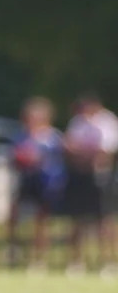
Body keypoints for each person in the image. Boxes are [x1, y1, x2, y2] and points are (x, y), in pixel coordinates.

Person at [62, 94, 117, 275]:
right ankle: (76, 261)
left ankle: (108, 261)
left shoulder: (107, 121)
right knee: (77, 219)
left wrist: (85, 154)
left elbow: (105, 150)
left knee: (105, 220)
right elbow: (70, 146)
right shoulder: (78, 122)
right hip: (80, 175)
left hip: (100, 176)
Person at [8, 96, 64, 269]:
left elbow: (56, 161)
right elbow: (14, 157)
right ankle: (14, 255)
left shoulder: (52, 136)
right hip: (25, 180)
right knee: (14, 217)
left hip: (45, 183)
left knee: (42, 222)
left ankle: (39, 260)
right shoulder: (22, 135)